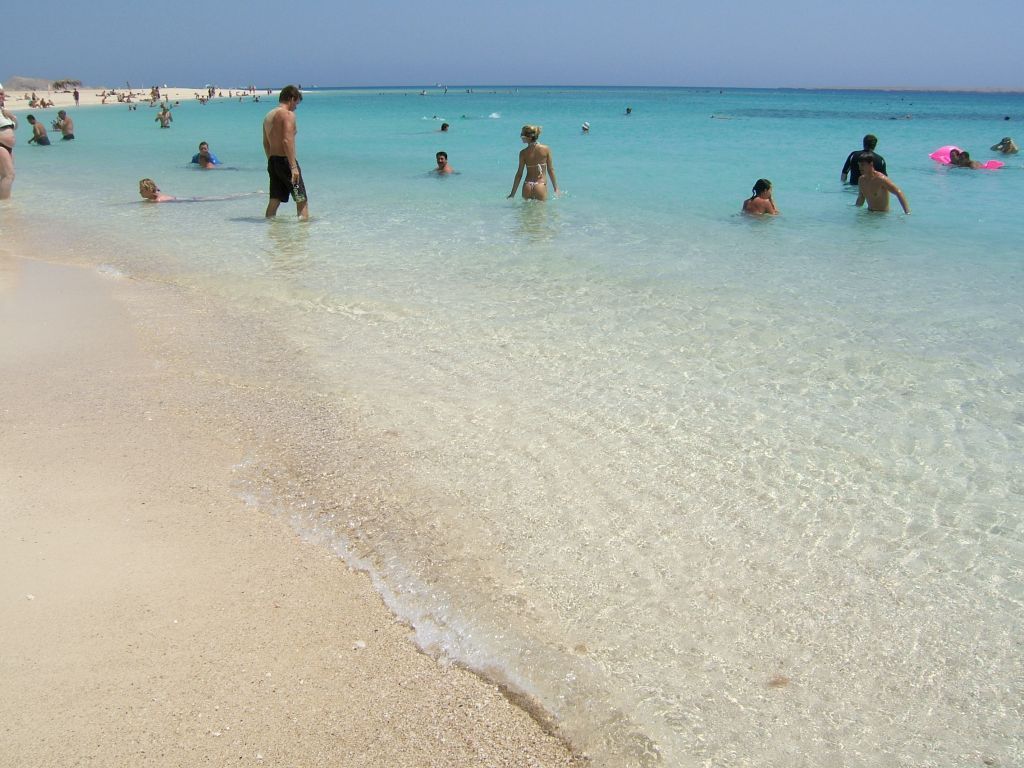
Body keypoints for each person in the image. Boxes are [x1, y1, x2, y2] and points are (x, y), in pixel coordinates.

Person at [262, 84, 308, 219]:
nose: (296, 107)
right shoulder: (288, 115)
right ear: (291, 98)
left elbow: (265, 143)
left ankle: (271, 232)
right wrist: (293, 167)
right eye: (296, 103)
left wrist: (270, 161)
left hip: (273, 160)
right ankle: (303, 236)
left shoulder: (268, 116)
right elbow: (287, 141)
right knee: (301, 199)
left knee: (275, 200)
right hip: (286, 162)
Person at [508, 124, 558, 201]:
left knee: (526, 212)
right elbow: (550, 170)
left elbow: (519, 174)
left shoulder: (523, 153)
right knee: (541, 212)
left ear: (528, 137)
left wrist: (512, 194)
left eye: (522, 134)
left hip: (527, 186)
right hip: (540, 185)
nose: (520, 136)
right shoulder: (546, 149)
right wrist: (556, 188)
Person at [0, 84, 17, 199]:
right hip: (1, 145)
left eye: (2, 93)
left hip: (8, 147)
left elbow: (14, 127)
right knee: (9, 175)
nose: (1, 96)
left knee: (4, 175)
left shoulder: (3, 111)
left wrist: (12, 117)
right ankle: (5, 205)